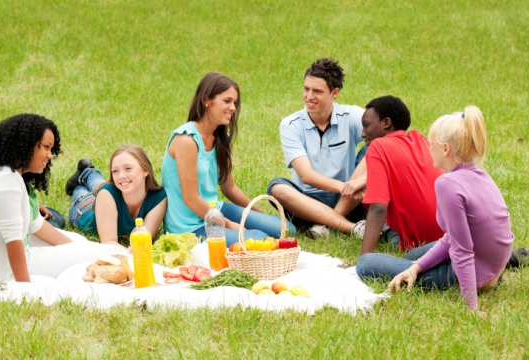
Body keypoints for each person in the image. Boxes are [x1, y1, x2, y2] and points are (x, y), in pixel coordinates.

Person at [356, 106, 514, 310]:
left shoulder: (447, 184)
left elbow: (462, 250)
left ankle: (452, 278)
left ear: (445, 149)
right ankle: (415, 266)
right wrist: (416, 267)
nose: (428, 149)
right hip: (493, 267)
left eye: (432, 144)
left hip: (474, 275)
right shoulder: (479, 174)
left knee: (365, 264)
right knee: (412, 258)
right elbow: (453, 236)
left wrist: (471, 308)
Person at [0, 114, 125, 283]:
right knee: (103, 253)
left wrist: (75, 247)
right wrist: (25, 287)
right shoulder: (6, 182)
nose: (50, 155)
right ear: (26, 145)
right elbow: (12, 240)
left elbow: (35, 224)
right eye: (46, 147)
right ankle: (130, 255)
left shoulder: (6, 172)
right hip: (5, 267)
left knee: (81, 242)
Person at [162, 72, 295, 246]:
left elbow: (229, 187)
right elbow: (190, 199)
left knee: (285, 229)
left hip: (215, 209)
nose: (233, 107)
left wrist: (258, 214)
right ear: (206, 100)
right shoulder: (186, 140)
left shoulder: (220, 137)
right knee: (260, 240)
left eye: (234, 102)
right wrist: (230, 225)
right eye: (227, 101)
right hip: (190, 226)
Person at [267, 58, 367, 239]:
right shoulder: (290, 124)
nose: (309, 96)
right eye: (306, 89)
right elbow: (306, 175)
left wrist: (359, 184)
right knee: (277, 188)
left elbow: (388, 142)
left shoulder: (351, 115)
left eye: (317, 91)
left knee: (375, 149)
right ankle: (352, 228)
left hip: (350, 199)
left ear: (334, 92)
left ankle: (326, 223)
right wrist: (345, 187)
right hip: (309, 200)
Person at [359, 95, 444, 254]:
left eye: (366, 125)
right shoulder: (420, 139)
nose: (363, 134)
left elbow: (378, 207)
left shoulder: (378, 146)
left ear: (386, 123)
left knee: (369, 264)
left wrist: (364, 259)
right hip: (451, 237)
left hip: (424, 248)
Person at [64, 145, 167, 246]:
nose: (121, 175)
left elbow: (144, 240)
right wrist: (129, 256)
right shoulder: (107, 193)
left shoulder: (159, 197)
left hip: (108, 196)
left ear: (145, 170)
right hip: (84, 208)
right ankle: (86, 174)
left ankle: (87, 172)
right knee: (84, 190)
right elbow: (109, 242)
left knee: (105, 186)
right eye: (115, 171)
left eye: (128, 168)